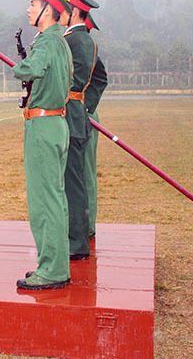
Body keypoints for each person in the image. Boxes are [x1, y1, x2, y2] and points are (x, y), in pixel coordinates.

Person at [13, 0, 73, 290]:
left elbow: (30, 69)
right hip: (57, 123)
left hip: (42, 124)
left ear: (47, 11)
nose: (28, 9)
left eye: (33, 4)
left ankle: (51, 270)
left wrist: (17, 67)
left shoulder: (48, 42)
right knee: (56, 198)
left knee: (43, 201)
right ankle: (56, 262)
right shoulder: (61, 43)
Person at [58, 0, 100, 260]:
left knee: (73, 180)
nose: (58, 13)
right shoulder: (88, 41)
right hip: (79, 113)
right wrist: (87, 106)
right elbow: (101, 78)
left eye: (62, 9)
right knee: (79, 177)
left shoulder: (71, 41)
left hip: (71, 115)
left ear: (73, 12)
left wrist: (81, 106)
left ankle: (77, 239)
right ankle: (81, 231)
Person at [82, 13, 108, 239]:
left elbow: (101, 78)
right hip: (69, 115)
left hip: (85, 116)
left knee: (86, 172)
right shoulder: (69, 43)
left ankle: (88, 226)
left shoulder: (89, 47)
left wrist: (86, 107)